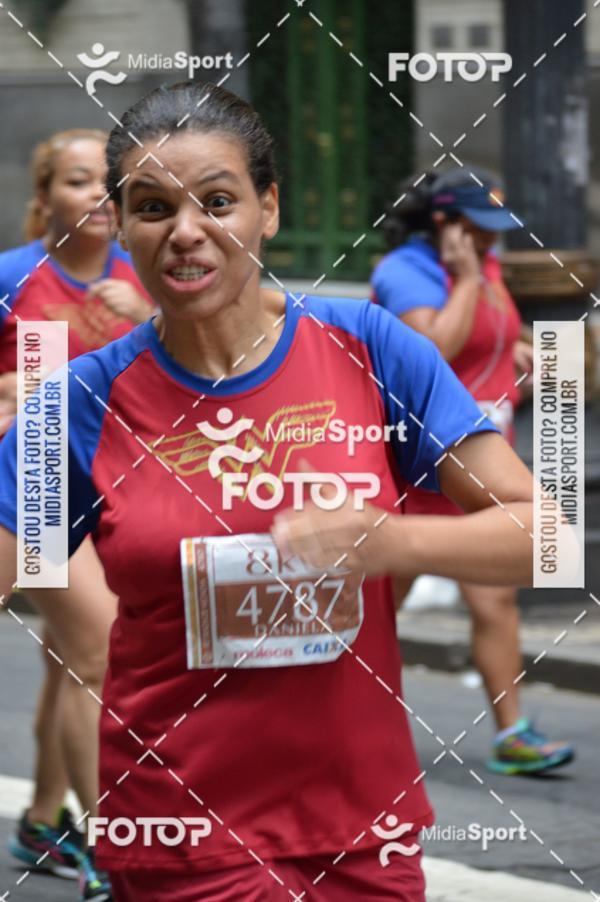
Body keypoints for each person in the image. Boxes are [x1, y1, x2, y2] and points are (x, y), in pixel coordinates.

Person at [0, 82, 534, 901]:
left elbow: (542, 534)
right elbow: (18, 565)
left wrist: (391, 543)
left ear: (268, 209)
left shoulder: (370, 349)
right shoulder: (80, 401)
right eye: (151, 208)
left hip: (364, 828)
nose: (186, 232)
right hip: (180, 829)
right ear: (123, 227)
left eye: (218, 201)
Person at [370, 167, 574, 775]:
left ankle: (512, 733)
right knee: (378, 606)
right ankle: (339, 726)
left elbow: (488, 333)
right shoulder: (404, 272)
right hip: (418, 467)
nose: (490, 241)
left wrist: (515, 352)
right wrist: (462, 278)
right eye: (478, 229)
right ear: (444, 223)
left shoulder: (483, 264)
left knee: (496, 603)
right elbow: (431, 349)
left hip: (482, 466)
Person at [0, 128, 152, 901]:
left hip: (118, 494)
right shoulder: (13, 279)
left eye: (108, 182)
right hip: (30, 491)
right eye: (78, 181)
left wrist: (149, 312)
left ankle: (39, 816)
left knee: (70, 661)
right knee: (97, 652)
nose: (96, 196)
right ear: (45, 196)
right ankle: (109, 847)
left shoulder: (146, 275)